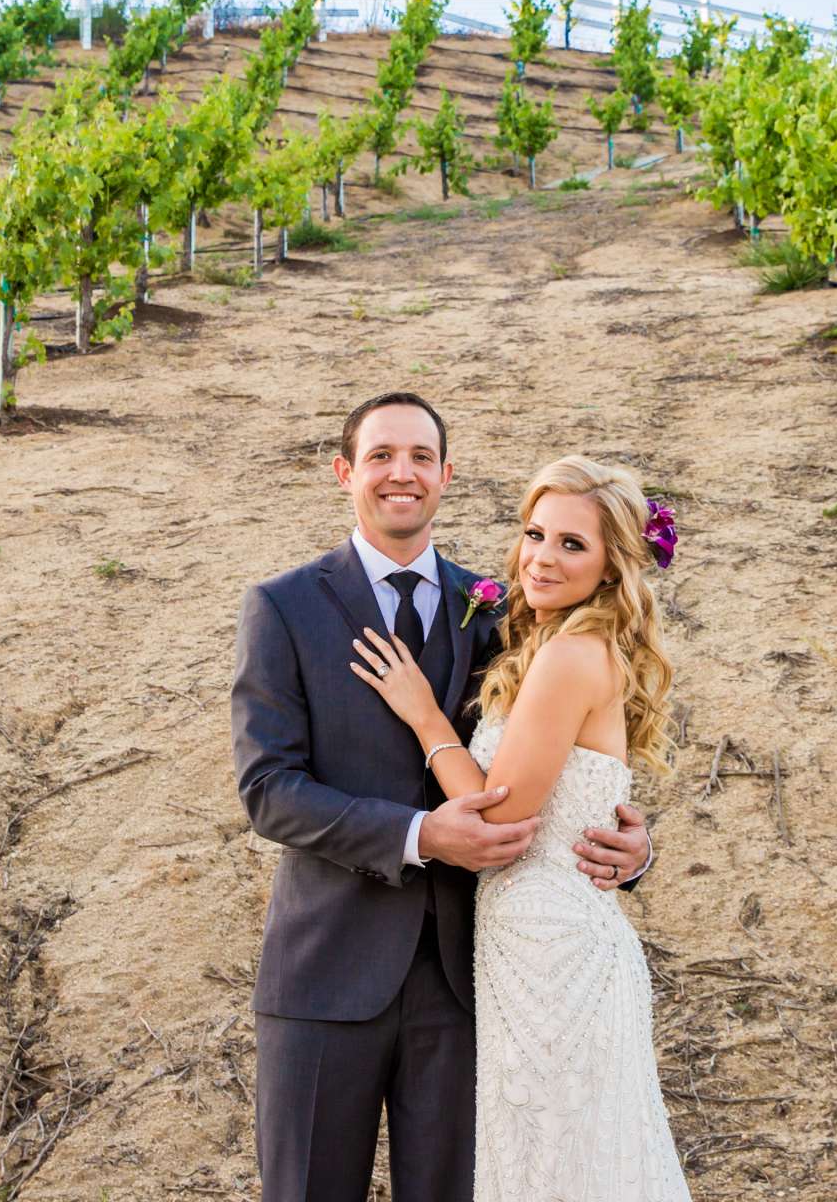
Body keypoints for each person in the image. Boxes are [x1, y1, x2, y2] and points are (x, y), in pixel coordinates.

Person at [231, 393, 654, 1201]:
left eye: (421, 456)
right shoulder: (283, 607)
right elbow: (268, 791)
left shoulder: (507, 610)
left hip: (471, 989)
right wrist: (420, 835)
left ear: (446, 475)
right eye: (382, 455)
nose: (403, 473)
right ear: (344, 472)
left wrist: (632, 850)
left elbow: (569, 761)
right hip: (325, 976)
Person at [350, 453, 691, 1201]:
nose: (541, 557)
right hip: (533, 940)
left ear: (613, 566)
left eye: (573, 544)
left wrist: (424, 715)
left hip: (553, 951)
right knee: (557, 1159)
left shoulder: (571, 654)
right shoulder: (547, 636)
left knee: (557, 1164)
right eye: (536, 533)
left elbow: (501, 820)